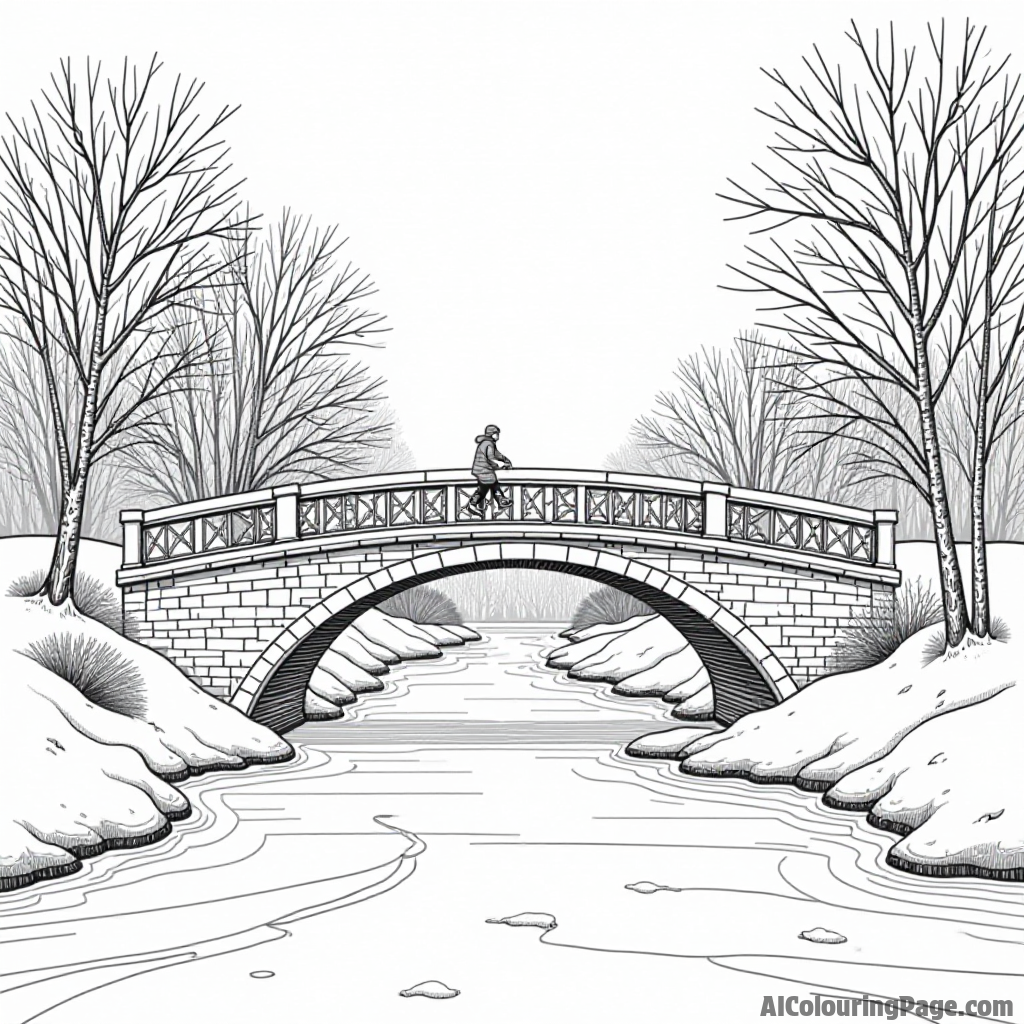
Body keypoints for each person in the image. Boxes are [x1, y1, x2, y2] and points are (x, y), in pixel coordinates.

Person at [468, 424, 513, 515]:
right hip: (484, 469)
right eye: (497, 434)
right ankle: (500, 500)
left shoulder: (487, 443)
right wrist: (499, 465)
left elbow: (497, 454)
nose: (498, 437)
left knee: (484, 488)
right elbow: (491, 457)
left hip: (480, 469)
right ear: (492, 434)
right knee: (492, 483)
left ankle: (473, 504)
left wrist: (505, 459)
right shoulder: (489, 443)